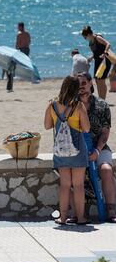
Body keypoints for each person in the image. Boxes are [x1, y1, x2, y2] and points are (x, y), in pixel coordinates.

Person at [44, 76, 90, 225]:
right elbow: (87, 128)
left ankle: (63, 218)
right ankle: (81, 218)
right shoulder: (78, 106)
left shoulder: (52, 105)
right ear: (76, 89)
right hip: (77, 149)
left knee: (65, 185)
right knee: (78, 185)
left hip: (61, 150)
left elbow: (47, 126)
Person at [76, 72, 116, 222]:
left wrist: (97, 151)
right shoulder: (71, 105)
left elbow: (105, 132)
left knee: (106, 170)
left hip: (100, 147)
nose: (81, 87)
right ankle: (79, 213)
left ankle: (111, 211)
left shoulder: (102, 105)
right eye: (78, 85)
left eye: (84, 84)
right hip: (78, 149)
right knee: (76, 175)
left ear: (91, 83)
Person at [81, 26, 112, 99]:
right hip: (97, 62)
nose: (85, 39)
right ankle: (100, 98)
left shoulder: (97, 38)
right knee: (97, 80)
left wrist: (105, 52)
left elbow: (108, 44)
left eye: (85, 37)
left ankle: (103, 99)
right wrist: (91, 58)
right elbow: (96, 52)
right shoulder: (90, 42)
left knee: (101, 80)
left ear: (88, 34)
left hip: (105, 60)